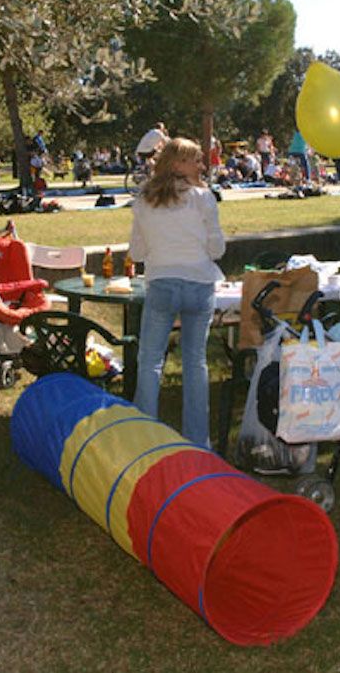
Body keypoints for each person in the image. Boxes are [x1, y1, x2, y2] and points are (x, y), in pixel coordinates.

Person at [128, 138, 224, 448]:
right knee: (195, 362)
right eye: (195, 160)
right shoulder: (203, 198)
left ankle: (145, 437)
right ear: (177, 164)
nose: (201, 165)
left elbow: (137, 253)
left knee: (150, 361)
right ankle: (198, 441)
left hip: (162, 282)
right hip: (199, 283)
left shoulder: (144, 199)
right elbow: (217, 249)